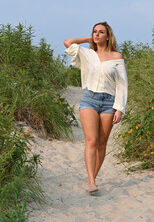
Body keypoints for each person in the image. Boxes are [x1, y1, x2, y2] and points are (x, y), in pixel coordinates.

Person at [64, 22, 128, 193]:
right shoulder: (87, 54)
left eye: (101, 32)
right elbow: (68, 43)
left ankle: (93, 176)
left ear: (108, 36)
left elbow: (122, 84)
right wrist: (89, 39)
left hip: (109, 103)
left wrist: (120, 108)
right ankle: (91, 181)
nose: (97, 34)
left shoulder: (117, 57)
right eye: (95, 32)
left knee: (101, 143)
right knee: (91, 140)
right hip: (89, 99)